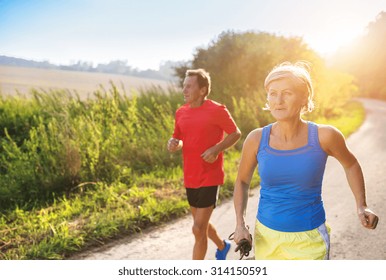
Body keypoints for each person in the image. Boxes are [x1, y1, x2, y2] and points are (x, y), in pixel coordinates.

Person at [233, 61, 379, 260]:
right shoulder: (257, 139)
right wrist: (240, 224)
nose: (278, 100)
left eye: (287, 93)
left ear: (304, 97)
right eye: (273, 93)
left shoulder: (324, 136)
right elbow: (242, 181)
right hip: (266, 237)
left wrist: (362, 205)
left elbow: (351, 164)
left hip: (309, 239)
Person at [167, 68, 241, 260]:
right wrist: (174, 143)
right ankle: (223, 246)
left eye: (189, 86)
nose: (184, 90)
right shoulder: (181, 112)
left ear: (202, 90)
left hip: (210, 175)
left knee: (198, 228)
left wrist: (216, 149)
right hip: (190, 176)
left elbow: (235, 133)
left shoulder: (217, 110)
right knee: (201, 226)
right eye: (184, 86)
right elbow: (178, 138)